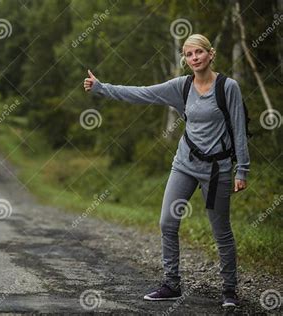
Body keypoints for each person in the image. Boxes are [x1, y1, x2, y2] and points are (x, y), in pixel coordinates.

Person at [84, 34, 250, 308]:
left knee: (221, 230)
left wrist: (242, 170)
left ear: (211, 54)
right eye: (188, 54)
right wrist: (102, 88)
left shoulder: (227, 87)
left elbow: (240, 128)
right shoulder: (180, 87)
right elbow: (141, 93)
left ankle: (229, 291)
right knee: (167, 222)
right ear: (185, 59)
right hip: (185, 163)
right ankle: (171, 284)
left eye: (199, 52)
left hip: (217, 169)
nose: (194, 58)